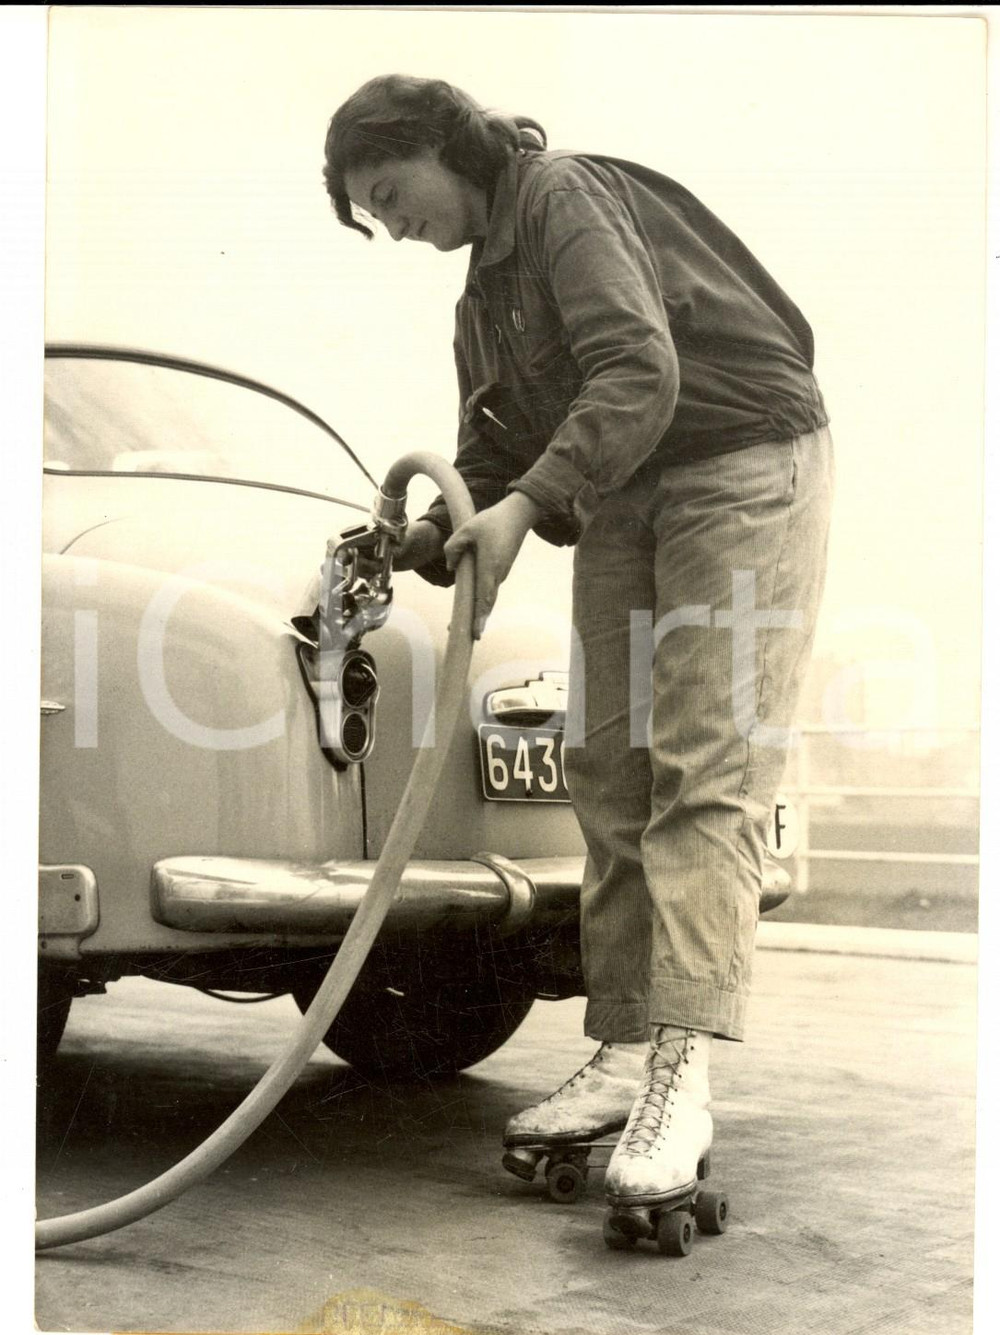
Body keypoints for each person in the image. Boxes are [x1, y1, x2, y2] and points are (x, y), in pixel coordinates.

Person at [323, 74, 833, 1224]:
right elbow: (492, 464)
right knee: (606, 764)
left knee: (702, 770)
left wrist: (522, 504)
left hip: (743, 456)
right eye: (375, 215)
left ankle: (679, 1074)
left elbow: (638, 369)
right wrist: (425, 539)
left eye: (393, 195)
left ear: (445, 151)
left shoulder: (561, 199)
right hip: (630, 484)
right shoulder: (478, 301)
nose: (395, 226)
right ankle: (621, 1048)